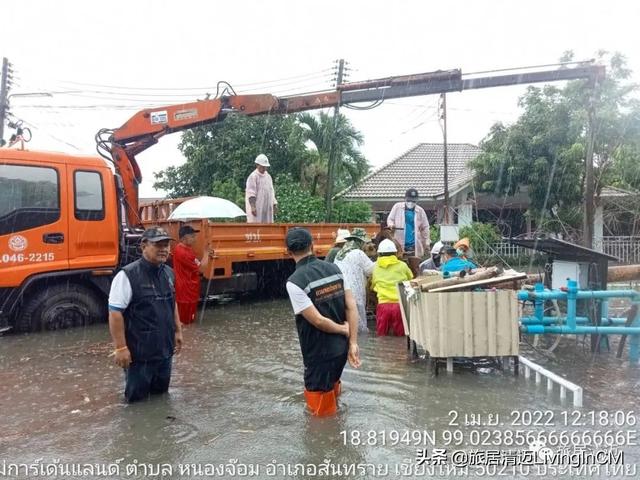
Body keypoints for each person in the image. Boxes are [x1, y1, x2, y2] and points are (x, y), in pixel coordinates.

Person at [285, 227, 361, 416]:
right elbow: (351, 307)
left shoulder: (295, 282)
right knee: (334, 394)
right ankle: (338, 436)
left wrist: (343, 330)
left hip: (318, 353)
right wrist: (352, 342)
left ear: (288, 252)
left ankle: (327, 441)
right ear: (313, 245)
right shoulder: (335, 269)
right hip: (341, 350)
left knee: (319, 414)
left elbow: (318, 321)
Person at [108, 227, 183, 403]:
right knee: (136, 403)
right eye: (158, 245)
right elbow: (115, 312)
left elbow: (172, 303)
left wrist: (178, 331)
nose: (164, 249)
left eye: (166, 245)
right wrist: (120, 348)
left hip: (164, 352)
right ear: (143, 246)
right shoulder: (127, 275)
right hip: (139, 356)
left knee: (161, 398)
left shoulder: (168, 273)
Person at [334, 228, 375, 332]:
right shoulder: (358, 253)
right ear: (360, 242)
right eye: (364, 243)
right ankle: (363, 346)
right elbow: (370, 270)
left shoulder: (340, 254)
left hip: (339, 291)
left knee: (345, 324)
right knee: (359, 326)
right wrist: (381, 261)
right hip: (354, 293)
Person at [371, 239, 413, 336]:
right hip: (399, 306)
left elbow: (373, 286)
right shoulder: (403, 266)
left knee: (382, 337)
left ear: (379, 254)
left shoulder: (375, 267)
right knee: (401, 337)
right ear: (395, 252)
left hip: (383, 306)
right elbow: (410, 279)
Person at [172, 225, 212, 325]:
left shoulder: (184, 249)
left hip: (187, 291)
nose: (195, 239)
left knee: (186, 322)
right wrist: (206, 253)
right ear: (184, 238)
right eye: (192, 236)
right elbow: (202, 269)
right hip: (186, 293)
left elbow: (197, 264)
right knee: (186, 323)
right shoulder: (183, 253)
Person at [386, 188, 430, 273]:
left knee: (413, 267)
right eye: (409, 200)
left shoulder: (420, 211)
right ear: (405, 199)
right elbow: (390, 219)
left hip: (413, 245)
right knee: (399, 265)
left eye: (413, 201)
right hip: (399, 243)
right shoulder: (397, 207)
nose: (411, 203)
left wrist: (426, 243)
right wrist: (391, 225)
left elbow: (425, 227)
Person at [245, 153, 277, 223]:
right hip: (257, 208)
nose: (264, 168)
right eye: (262, 166)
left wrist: (274, 204)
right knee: (256, 227)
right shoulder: (253, 176)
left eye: (265, 167)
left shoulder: (268, 177)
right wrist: (253, 207)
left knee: (268, 227)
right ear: (257, 165)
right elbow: (251, 193)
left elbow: (271, 191)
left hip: (267, 208)